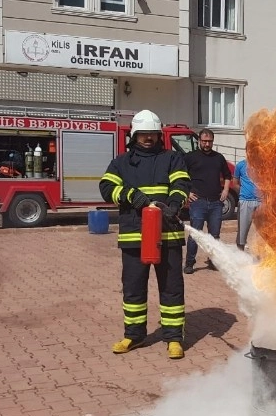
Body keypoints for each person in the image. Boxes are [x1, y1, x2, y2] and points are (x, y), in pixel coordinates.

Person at [99, 110, 191, 360]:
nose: (148, 139)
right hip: (134, 235)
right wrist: (131, 195)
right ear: (134, 136)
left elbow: (182, 184)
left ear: (159, 135)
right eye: (143, 135)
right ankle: (134, 335)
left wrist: (174, 204)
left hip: (168, 235)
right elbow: (106, 187)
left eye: (152, 135)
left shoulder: (172, 159)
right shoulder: (121, 162)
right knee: (133, 289)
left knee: (172, 289)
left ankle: (173, 338)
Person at [183, 128, 232, 274]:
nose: (206, 144)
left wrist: (226, 190)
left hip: (216, 203)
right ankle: (190, 263)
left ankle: (213, 261)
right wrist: (187, 192)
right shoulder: (190, 157)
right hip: (198, 202)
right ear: (199, 141)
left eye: (209, 141)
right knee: (195, 234)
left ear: (213, 141)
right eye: (204, 141)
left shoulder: (219, 158)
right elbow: (180, 176)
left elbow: (228, 175)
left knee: (215, 235)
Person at [233, 158, 261, 251]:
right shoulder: (240, 165)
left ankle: (260, 258)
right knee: (242, 232)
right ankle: (240, 256)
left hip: (261, 202)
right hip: (245, 201)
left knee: (262, 233)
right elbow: (235, 183)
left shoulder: (263, 165)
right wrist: (243, 192)